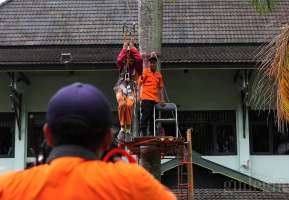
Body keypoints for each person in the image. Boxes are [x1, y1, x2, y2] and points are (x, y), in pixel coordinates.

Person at [0, 82, 176, 200]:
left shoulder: (8, 187)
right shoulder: (133, 183)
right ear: (108, 139)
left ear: (48, 135)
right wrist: (119, 166)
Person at [115, 34, 143, 143]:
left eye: (132, 58)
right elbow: (119, 59)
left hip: (132, 87)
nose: (130, 60)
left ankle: (127, 129)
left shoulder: (137, 67)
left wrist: (133, 48)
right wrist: (124, 48)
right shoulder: (122, 65)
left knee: (130, 105)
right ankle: (122, 128)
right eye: (128, 57)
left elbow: (139, 59)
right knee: (122, 104)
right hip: (121, 86)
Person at [139, 52, 165, 136]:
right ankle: (143, 133)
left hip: (155, 100)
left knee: (154, 118)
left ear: (156, 64)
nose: (152, 64)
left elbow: (161, 88)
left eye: (154, 62)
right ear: (149, 63)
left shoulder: (159, 75)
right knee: (146, 116)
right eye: (151, 62)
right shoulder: (145, 72)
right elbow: (139, 83)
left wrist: (162, 100)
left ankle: (151, 133)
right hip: (146, 98)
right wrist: (139, 96)